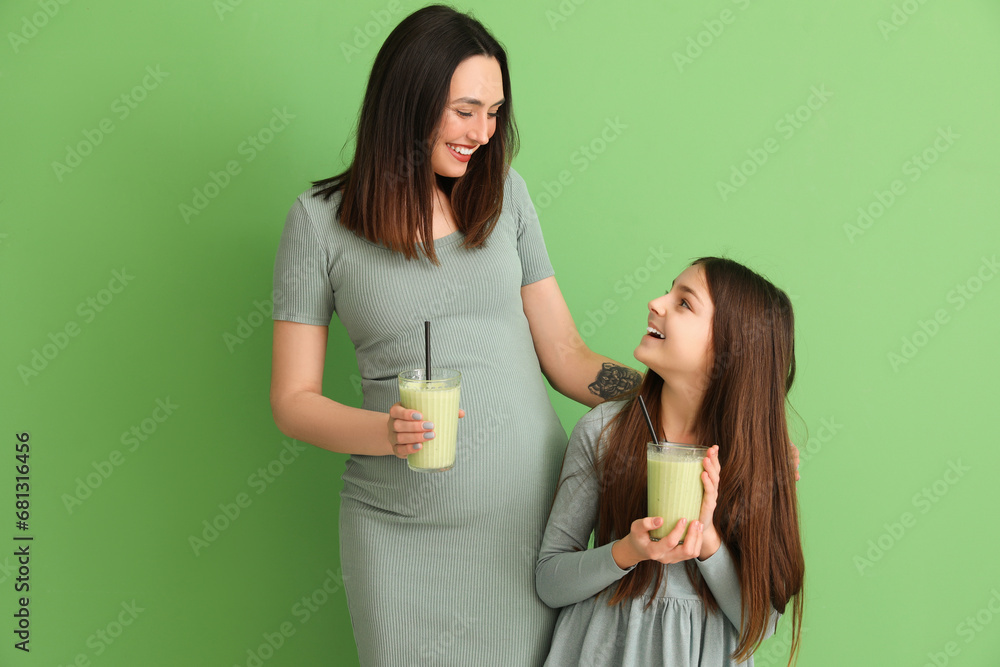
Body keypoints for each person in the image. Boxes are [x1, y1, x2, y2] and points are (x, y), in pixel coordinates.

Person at [268, 6, 640, 665]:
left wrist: (675, 398)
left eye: (494, 112)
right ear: (409, 100)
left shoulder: (505, 196)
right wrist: (384, 431)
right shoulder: (318, 224)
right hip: (398, 530)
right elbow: (292, 400)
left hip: (527, 528)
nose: (483, 132)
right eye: (466, 109)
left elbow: (568, 357)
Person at [535, 257, 805, 666]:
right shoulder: (603, 432)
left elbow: (760, 624)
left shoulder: (756, 461)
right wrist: (626, 551)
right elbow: (549, 580)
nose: (656, 302)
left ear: (730, 348)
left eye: (684, 303)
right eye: (669, 290)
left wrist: (708, 541)